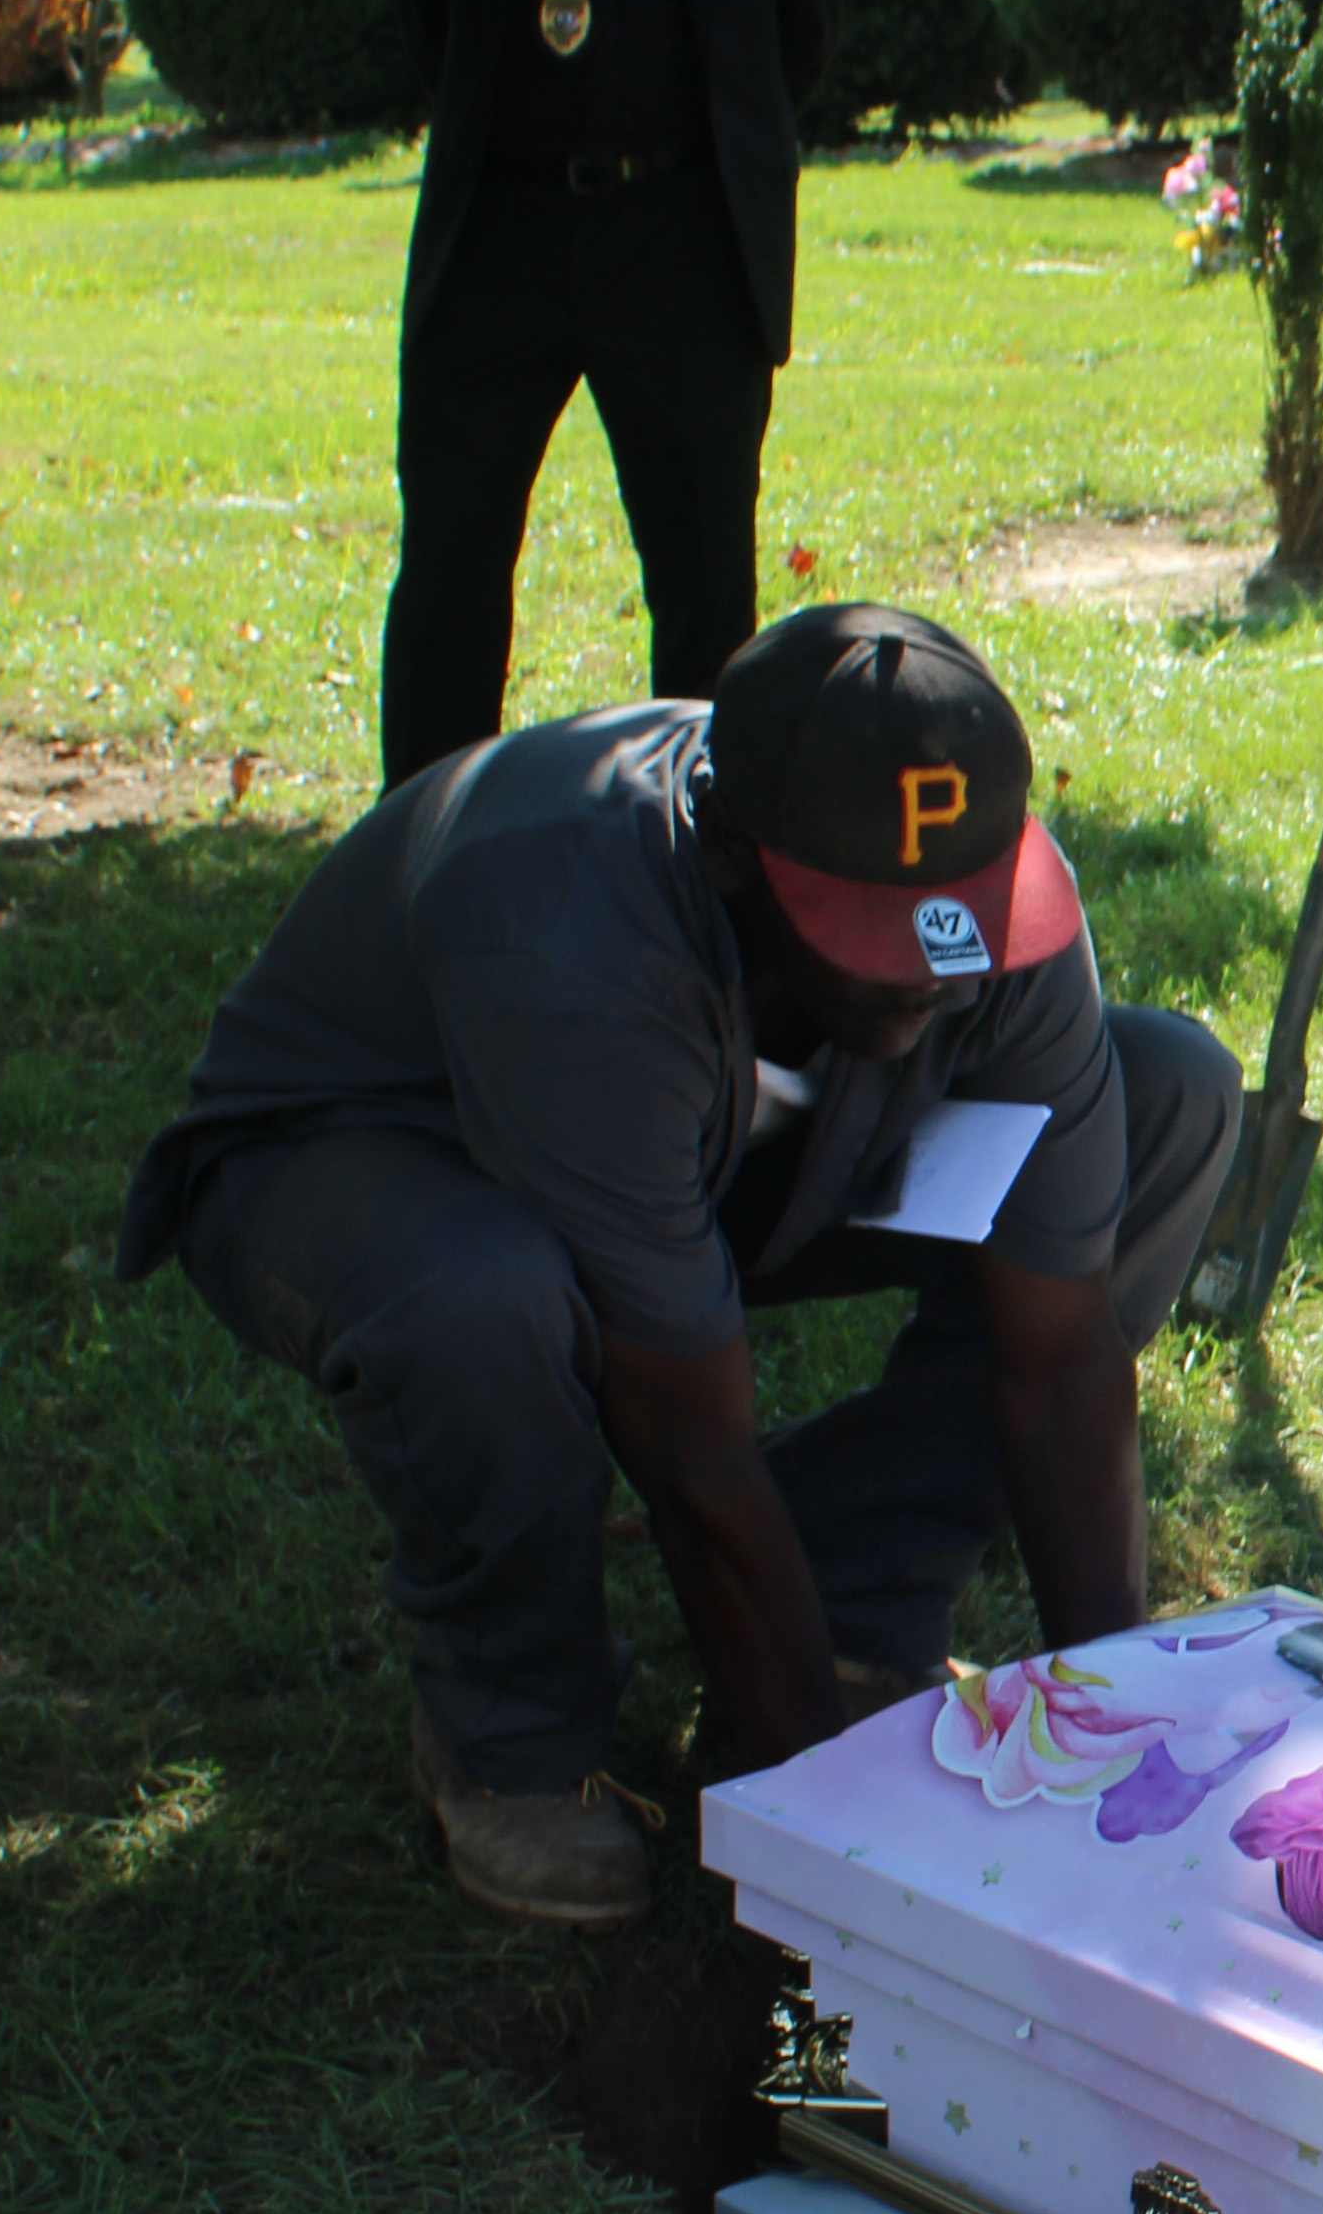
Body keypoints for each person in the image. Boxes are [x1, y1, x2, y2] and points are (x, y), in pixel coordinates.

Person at [120, 604, 1234, 1926]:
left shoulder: (976, 921)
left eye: (956, 921)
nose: (931, 977)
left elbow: (1057, 1365)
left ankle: (846, 1594)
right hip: (385, 1156)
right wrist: (834, 1841)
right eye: (878, 928)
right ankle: (512, 1735)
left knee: (1167, 1091)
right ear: (732, 855)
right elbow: (693, 1450)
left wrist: (1114, 1735)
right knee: (486, 1295)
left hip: (711, 1148)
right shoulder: (566, 931)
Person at [373, 0, 845, 787]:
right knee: (452, 569)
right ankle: (420, 844)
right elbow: (435, 30)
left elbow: (795, 38)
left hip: (684, 238)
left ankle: (708, 858)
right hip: (502, 236)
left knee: (702, 580)